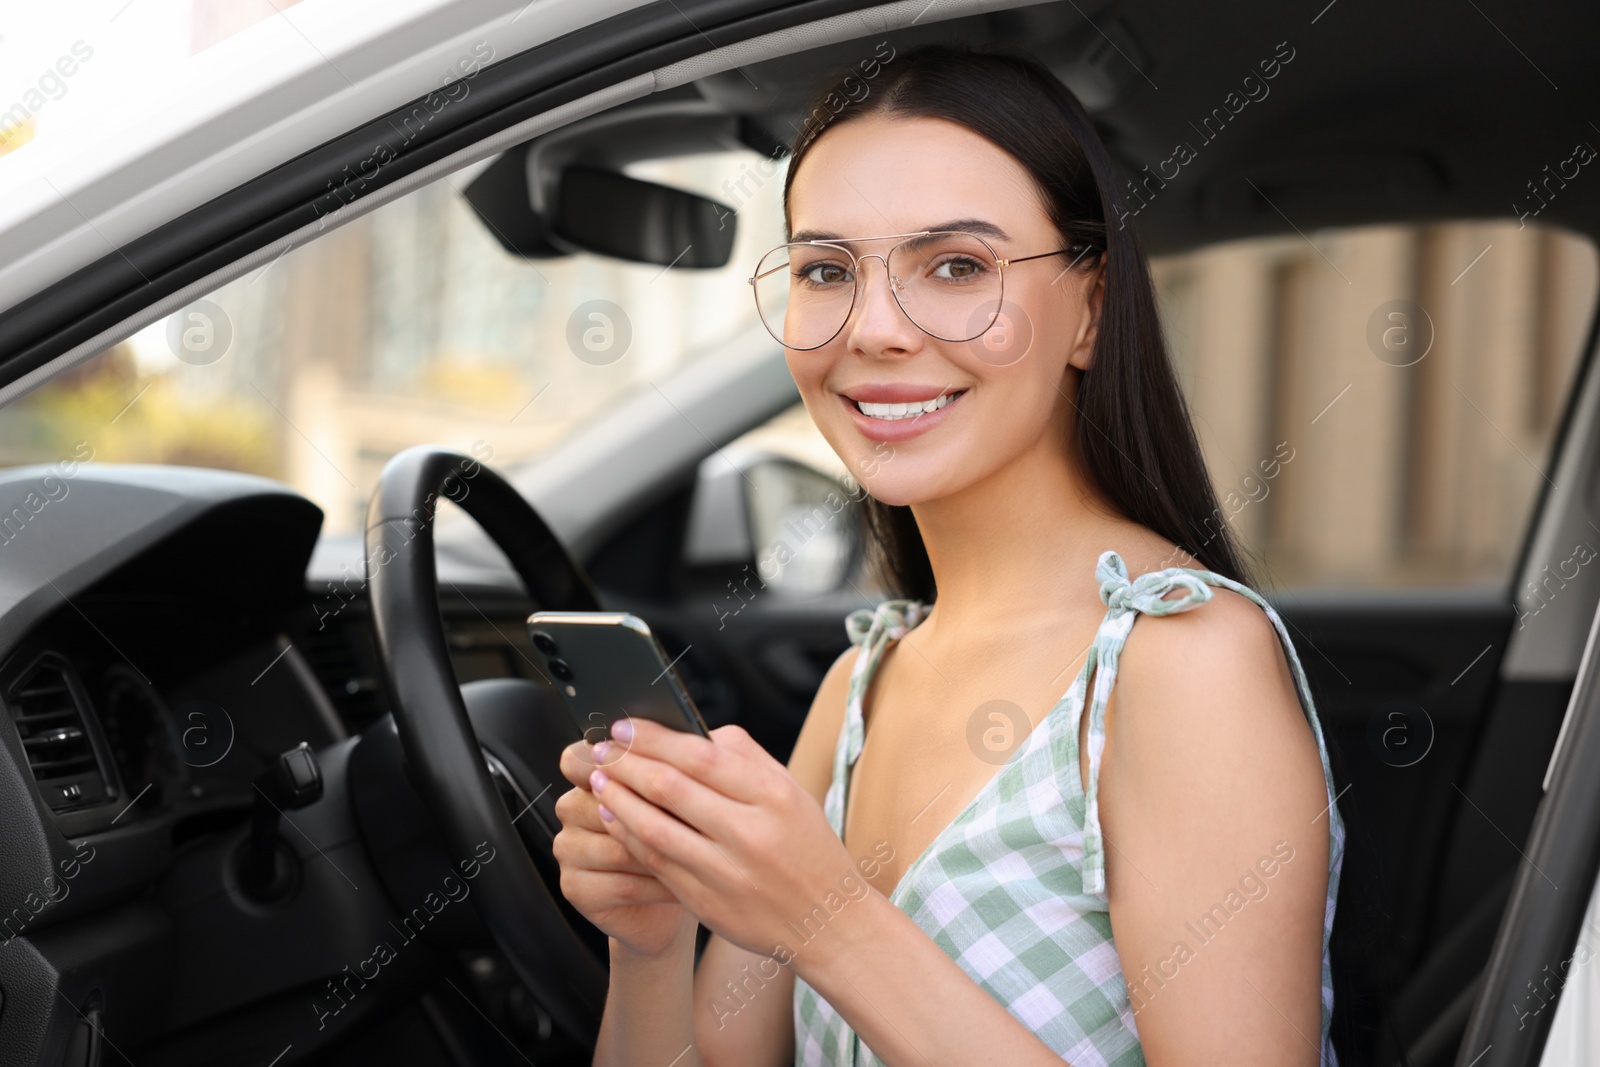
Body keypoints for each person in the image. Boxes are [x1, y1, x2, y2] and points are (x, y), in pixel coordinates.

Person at [551, 44, 1345, 1067]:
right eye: (826, 271)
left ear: (1091, 309)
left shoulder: (1181, 666)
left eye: (958, 266)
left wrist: (830, 917)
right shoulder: (861, 682)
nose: (874, 329)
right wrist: (650, 941)